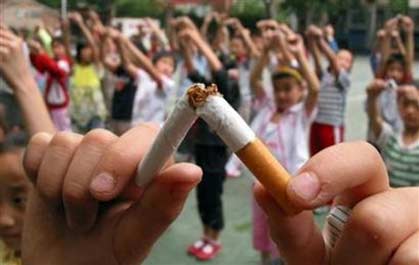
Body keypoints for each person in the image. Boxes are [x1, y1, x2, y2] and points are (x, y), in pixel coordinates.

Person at [247, 32, 319, 265]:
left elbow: (315, 89)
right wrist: (266, 52)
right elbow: (254, 80)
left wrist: (300, 54)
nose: (282, 94)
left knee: (287, 230)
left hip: (289, 184)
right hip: (261, 183)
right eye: (278, 89)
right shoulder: (267, 108)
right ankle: (265, 260)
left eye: (289, 89)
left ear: (300, 90)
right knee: (262, 226)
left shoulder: (300, 115)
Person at [177, 24, 233, 261]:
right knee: (202, 194)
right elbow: (192, 72)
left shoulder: (226, 88)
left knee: (213, 194)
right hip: (201, 146)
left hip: (216, 149)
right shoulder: (205, 90)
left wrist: (197, 39)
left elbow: (219, 70)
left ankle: (215, 238)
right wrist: (185, 46)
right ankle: (206, 235)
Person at [0, 25, 55, 265]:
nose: (4, 219)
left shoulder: (58, 253)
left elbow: (52, 168)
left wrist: (23, 81)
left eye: (19, 200)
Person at [306, 25, 353, 155]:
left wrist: (320, 39)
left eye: (347, 60)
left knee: (333, 158)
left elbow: (332, 59)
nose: (342, 61)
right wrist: (311, 40)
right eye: (341, 57)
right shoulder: (324, 75)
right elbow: (316, 58)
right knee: (315, 157)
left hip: (332, 125)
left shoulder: (344, 79)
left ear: (350, 67)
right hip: (316, 123)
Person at [367, 81, 419, 187]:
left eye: (416, 105)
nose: (410, 111)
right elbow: (374, 118)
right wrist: (372, 97)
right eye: (406, 104)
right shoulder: (391, 137)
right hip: (390, 201)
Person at [67, 11, 107, 133]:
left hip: (95, 114)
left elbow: (94, 45)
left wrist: (81, 24)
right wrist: (65, 28)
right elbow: (66, 45)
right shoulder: (75, 67)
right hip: (78, 116)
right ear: (79, 52)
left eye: (89, 50)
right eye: (85, 50)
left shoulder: (96, 66)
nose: (88, 52)